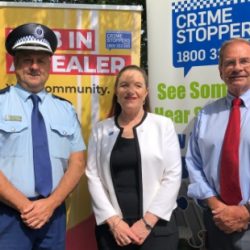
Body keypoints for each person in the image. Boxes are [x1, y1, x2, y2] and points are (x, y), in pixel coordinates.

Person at [0, 23, 86, 250]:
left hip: (53, 216)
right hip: (7, 216)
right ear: (15, 64)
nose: (35, 66)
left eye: (41, 60)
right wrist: (25, 206)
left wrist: (50, 205)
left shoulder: (65, 109)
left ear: (49, 65)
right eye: (27, 59)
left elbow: (77, 162)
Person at [85, 64, 182, 250]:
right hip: (114, 232)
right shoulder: (100, 130)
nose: (131, 91)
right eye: (124, 85)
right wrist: (114, 222)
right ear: (116, 91)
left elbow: (173, 175)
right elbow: (93, 176)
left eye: (138, 85)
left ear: (146, 92)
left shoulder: (163, 126)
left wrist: (147, 222)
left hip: (157, 228)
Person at [186, 38, 250, 250]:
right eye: (230, 63)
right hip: (217, 221)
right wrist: (217, 206)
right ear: (220, 71)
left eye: (244, 61)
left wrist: (246, 211)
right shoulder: (206, 114)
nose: (237, 68)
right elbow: (193, 163)